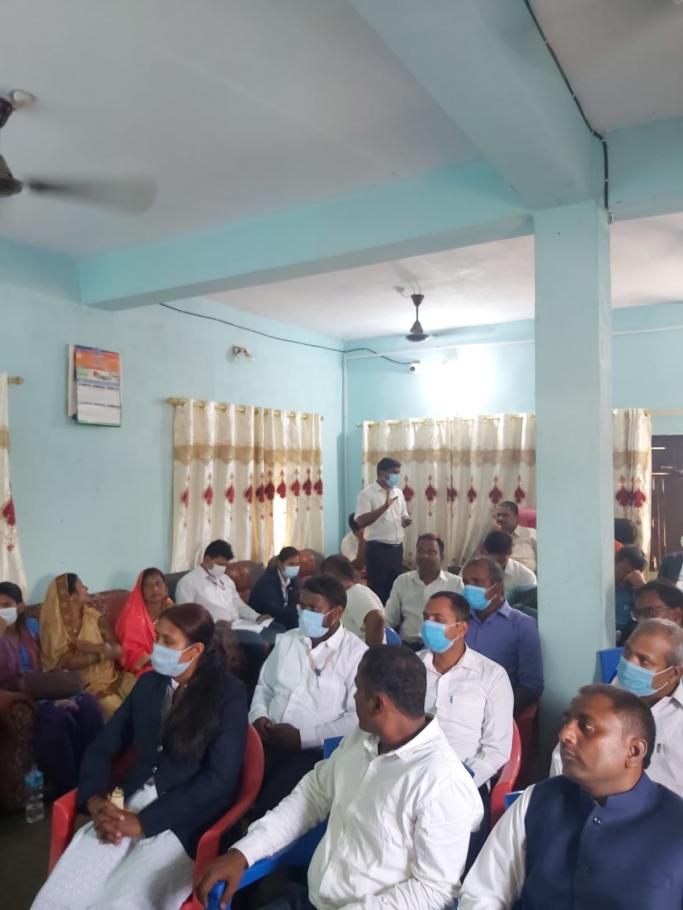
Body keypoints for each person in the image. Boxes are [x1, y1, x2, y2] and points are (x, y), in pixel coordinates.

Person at [196, 646, 484, 910]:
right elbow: (312, 795)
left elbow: (433, 891)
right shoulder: (363, 738)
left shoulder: (441, 782)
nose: (353, 697)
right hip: (312, 898)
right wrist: (244, 852)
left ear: (378, 705)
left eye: (358, 689)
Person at [32, 604, 248, 910]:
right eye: (156, 637)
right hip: (126, 800)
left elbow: (219, 779)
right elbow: (104, 745)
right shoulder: (149, 684)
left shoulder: (228, 694)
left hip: (184, 818)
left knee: (123, 900)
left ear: (196, 650)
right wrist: (94, 800)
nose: (156, 647)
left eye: (168, 641)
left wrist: (144, 822)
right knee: (64, 892)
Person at [459, 685, 683, 909]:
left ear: (634, 751)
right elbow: (484, 894)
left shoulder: (675, 824)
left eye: (586, 727)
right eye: (567, 722)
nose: (564, 734)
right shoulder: (536, 801)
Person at [248, 574, 367, 816]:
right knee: (229, 788)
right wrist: (258, 716)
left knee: (272, 806)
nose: (304, 613)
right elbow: (265, 686)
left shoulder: (356, 655)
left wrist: (302, 738)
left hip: (314, 753)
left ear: (336, 613)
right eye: (302, 606)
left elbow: (357, 718)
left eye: (313, 609)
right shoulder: (288, 640)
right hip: (266, 739)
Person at [549, 619, 683, 799]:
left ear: (673, 673)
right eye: (627, 651)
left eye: (644, 661)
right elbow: (562, 756)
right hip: (592, 805)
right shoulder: (607, 696)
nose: (629, 664)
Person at [0, 581, 103, 796]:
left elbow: (50, 658)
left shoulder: (32, 626)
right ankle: (69, 789)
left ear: (20, 606)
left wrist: (56, 689)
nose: (1, 610)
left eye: (6, 605)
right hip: (23, 692)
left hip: (46, 683)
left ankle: (94, 777)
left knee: (89, 704)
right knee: (55, 718)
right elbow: (7, 678)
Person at [419, 591, 513, 789]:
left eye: (438, 620)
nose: (428, 624)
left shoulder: (492, 675)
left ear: (461, 628)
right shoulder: (409, 667)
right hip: (413, 775)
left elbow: (496, 749)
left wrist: (459, 783)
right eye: (426, 618)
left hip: (465, 783)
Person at [40, 573, 133, 720]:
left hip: (113, 678)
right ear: (71, 596)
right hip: (86, 688)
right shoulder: (55, 630)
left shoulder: (93, 616)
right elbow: (64, 663)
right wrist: (101, 652)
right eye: (81, 586)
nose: (87, 588)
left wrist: (94, 648)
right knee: (118, 711)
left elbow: (116, 648)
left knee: (143, 693)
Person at [461, 557, 543, 713]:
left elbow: (532, 687)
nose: (469, 588)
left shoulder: (522, 625)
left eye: (476, 582)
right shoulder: (458, 622)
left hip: (497, 710)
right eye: (466, 583)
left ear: (497, 587)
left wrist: (494, 711)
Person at [175, 540, 281, 651]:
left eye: (226, 565)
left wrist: (257, 617)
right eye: (220, 564)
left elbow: (239, 604)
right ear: (207, 559)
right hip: (217, 630)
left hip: (239, 623)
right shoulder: (188, 582)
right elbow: (186, 618)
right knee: (256, 642)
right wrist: (214, 625)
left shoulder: (225, 579)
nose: (223, 568)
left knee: (278, 629)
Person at [385, 533, 463, 648]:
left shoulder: (456, 584)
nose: (424, 556)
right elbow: (389, 618)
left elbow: (461, 621)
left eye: (431, 552)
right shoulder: (402, 581)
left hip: (441, 646)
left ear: (441, 556)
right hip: (407, 646)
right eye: (420, 551)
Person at [354, 457, 412, 603]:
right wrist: (384, 507)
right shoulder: (367, 493)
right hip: (378, 551)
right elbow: (361, 521)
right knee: (378, 592)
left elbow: (403, 514)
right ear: (381, 473)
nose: (396, 477)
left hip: (397, 549)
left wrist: (406, 520)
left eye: (398, 473)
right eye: (393, 473)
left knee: (396, 591)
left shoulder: (398, 492)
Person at [115, 567, 173, 676]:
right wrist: (160, 661)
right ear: (140, 591)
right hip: (146, 667)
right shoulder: (132, 617)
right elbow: (130, 653)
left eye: (158, 583)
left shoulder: (171, 609)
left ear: (165, 587)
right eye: (148, 585)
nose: (154, 589)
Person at [320, 554, 385, 645]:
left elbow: (376, 617)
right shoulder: (347, 594)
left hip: (360, 652)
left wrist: (372, 651)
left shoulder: (356, 594)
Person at [249, 546, 301, 630]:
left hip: (284, 618)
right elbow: (275, 610)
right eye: (291, 564)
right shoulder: (267, 582)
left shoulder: (293, 579)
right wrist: (299, 610)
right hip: (265, 621)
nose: (295, 567)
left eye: (297, 564)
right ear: (280, 563)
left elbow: (295, 602)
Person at [482, 530, 537, 596]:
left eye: (500, 561)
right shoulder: (474, 571)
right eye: (491, 561)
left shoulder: (526, 577)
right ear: (483, 552)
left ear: (510, 553)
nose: (496, 565)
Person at [615, 544, 648, 643]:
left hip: (625, 638)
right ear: (614, 562)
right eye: (626, 571)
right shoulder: (601, 585)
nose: (628, 577)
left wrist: (642, 587)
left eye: (634, 574)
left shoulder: (635, 589)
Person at [494, 501, 536, 572]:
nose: (500, 518)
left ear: (516, 516)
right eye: (498, 515)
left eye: (505, 515)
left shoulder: (531, 533)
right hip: (501, 576)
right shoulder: (494, 537)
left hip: (527, 576)